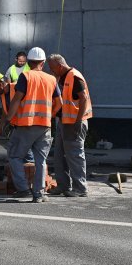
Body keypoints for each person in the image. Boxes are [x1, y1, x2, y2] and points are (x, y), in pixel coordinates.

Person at [0, 46, 59, 203]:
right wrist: (50, 115)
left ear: (29, 62)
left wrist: (7, 120)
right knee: (41, 160)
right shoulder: (51, 79)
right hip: (45, 125)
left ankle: (23, 189)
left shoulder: (25, 76)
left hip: (26, 124)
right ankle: (39, 194)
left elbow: (17, 99)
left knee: (14, 155)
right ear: (43, 62)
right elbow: (58, 102)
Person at [47, 54, 92, 197]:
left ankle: (80, 188)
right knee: (59, 156)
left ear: (60, 66)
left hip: (74, 123)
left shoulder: (74, 76)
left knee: (75, 155)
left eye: (53, 68)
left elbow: (83, 98)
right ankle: (63, 186)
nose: (52, 71)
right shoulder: (62, 77)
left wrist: (78, 121)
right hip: (63, 122)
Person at [0, 71, 34, 163]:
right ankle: (19, 172)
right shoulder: (2, 96)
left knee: (25, 150)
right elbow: (5, 113)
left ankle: (31, 171)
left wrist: (5, 124)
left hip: (26, 123)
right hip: (16, 126)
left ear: (0, 84)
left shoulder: (17, 87)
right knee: (13, 150)